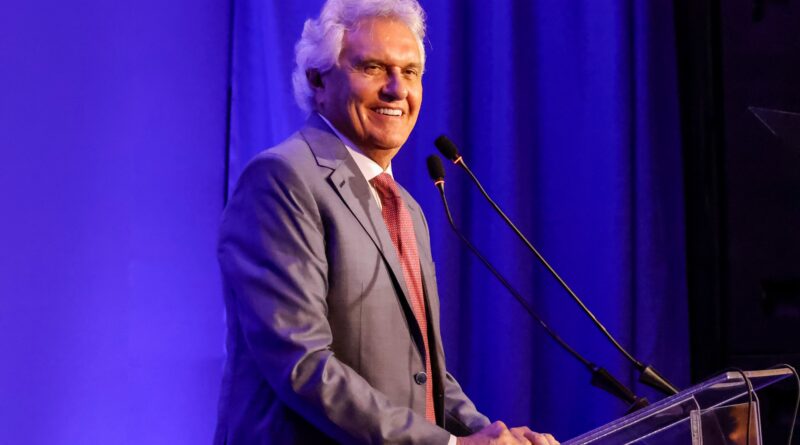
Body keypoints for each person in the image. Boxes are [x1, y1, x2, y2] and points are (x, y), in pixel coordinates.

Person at [213, 0, 558, 444]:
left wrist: (489, 434)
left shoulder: (407, 208)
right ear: (318, 80)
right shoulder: (282, 179)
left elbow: (424, 375)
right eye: (373, 68)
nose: (397, 90)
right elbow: (303, 365)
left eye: (410, 72)